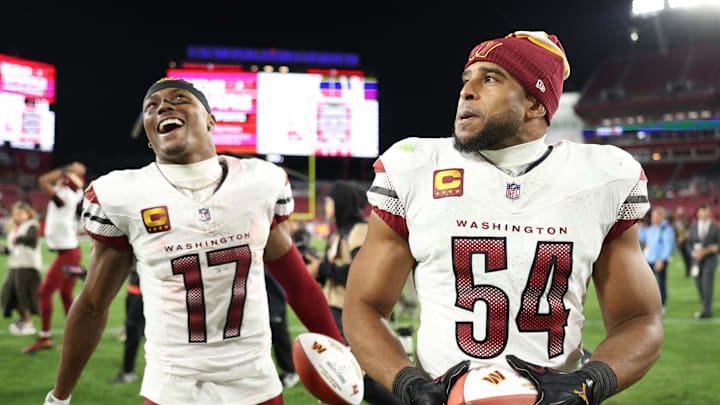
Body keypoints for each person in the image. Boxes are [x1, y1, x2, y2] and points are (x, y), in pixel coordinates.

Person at [343, 31, 664, 405]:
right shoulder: (415, 167)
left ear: (534, 104)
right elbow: (364, 305)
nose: (467, 90)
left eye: (490, 78)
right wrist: (410, 386)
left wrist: (590, 383)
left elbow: (639, 319)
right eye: (467, 79)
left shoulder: (602, 177)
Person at [43, 78, 344, 405]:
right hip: (172, 390)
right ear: (148, 133)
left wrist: (343, 356)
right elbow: (91, 305)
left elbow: (298, 284)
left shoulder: (259, 183)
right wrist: (59, 397)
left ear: (211, 119)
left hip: (255, 385)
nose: (163, 107)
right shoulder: (123, 195)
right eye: (151, 107)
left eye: (179, 99)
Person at [306, 181, 401, 405]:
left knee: (358, 378)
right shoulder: (338, 233)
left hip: (351, 314)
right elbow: (337, 273)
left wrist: (323, 268)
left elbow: (361, 273)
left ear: (340, 202)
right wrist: (315, 269)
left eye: (330, 200)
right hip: (335, 311)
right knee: (341, 378)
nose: (326, 205)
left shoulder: (359, 230)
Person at [24, 161, 86, 353]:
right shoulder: (73, 194)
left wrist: (66, 170)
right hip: (70, 252)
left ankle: (45, 337)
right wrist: (69, 174)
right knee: (66, 295)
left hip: (68, 253)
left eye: (63, 180)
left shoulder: (65, 196)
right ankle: (76, 336)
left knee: (44, 293)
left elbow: (43, 179)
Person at [1, 201, 42, 335]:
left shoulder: (32, 225)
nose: (16, 216)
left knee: (23, 295)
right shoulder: (14, 228)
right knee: (9, 294)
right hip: (15, 265)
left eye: (20, 213)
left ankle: (28, 323)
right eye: (15, 213)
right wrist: (4, 250)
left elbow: (31, 240)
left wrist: (18, 238)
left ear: (27, 214)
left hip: (27, 265)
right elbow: (13, 249)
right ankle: (22, 320)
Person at [111, 263, 144, 384]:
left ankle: (128, 372)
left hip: (142, 290)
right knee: (133, 331)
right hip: (134, 287)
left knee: (133, 332)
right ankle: (128, 371)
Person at [638, 207, 675, 313]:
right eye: (653, 216)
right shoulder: (651, 228)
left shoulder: (665, 229)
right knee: (647, 283)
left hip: (659, 260)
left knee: (661, 283)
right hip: (649, 260)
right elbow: (641, 237)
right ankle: (649, 304)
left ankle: (662, 304)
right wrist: (638, 225)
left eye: (656, 216)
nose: (653, 218)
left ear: (662, 217)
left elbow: (668, 246)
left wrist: (662, 260)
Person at [687, 204, 719, 319]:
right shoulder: (693, 228)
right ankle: (705, 307)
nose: (704, 214)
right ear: (698, 214)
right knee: (699, 285)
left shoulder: (716, 228)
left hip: (710, 261)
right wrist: (694, 253)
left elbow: (718, 246)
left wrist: (707, 251)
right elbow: (688, 244)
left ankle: (707, 311)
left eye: (706, 212)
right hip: (696, 261)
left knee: (707, 286)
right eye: (702, 212)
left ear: (709, 213)